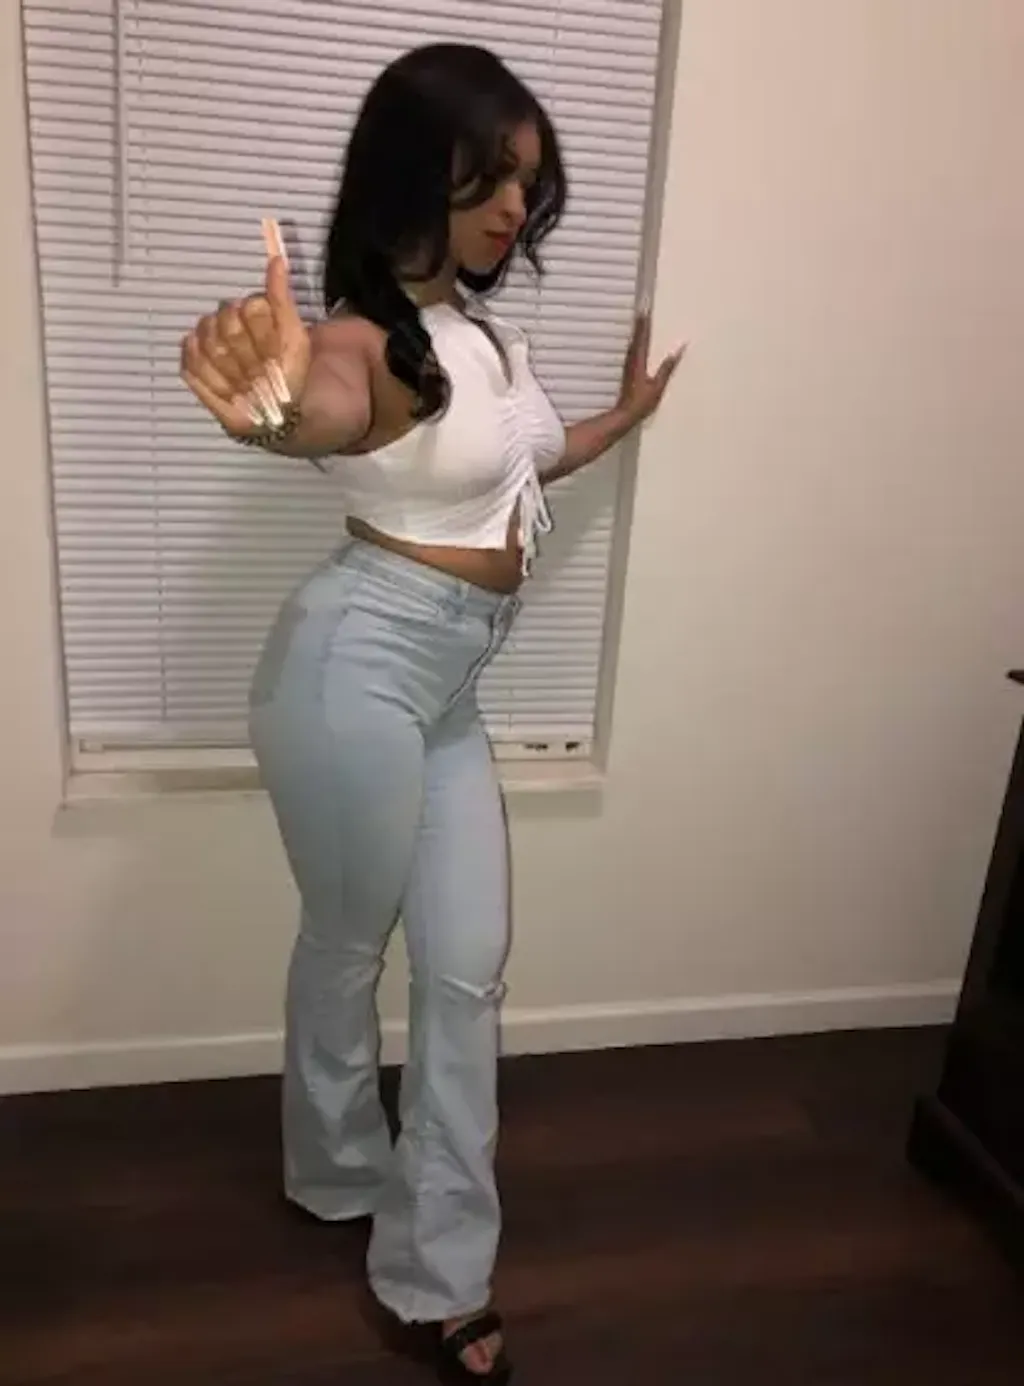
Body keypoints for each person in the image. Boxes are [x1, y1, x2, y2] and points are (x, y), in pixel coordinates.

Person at [180, 42, 681, 1384]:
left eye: (528, 181)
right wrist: (268, 407)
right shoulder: (362, 340)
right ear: (416, 168)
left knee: (466, 967)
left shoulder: (486, 338)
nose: (516, 205)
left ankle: (437, 1266)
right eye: (491, 174)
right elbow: (321, 408)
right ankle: (338, 1167)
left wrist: (624, 417)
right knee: (350, 941)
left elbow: (526, 460)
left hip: (449, 686)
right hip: (349, 671)